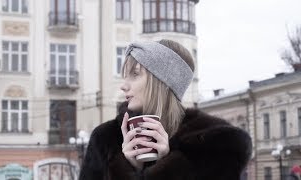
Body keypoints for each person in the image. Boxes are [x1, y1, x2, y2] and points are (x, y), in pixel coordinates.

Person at [79, 39, 252, 180]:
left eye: (135, 74)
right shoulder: (106, 139)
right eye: (125, 76)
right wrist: (127, 166)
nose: (124, 86)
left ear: (162, 81)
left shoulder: (215, 144)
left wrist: (167, 166)